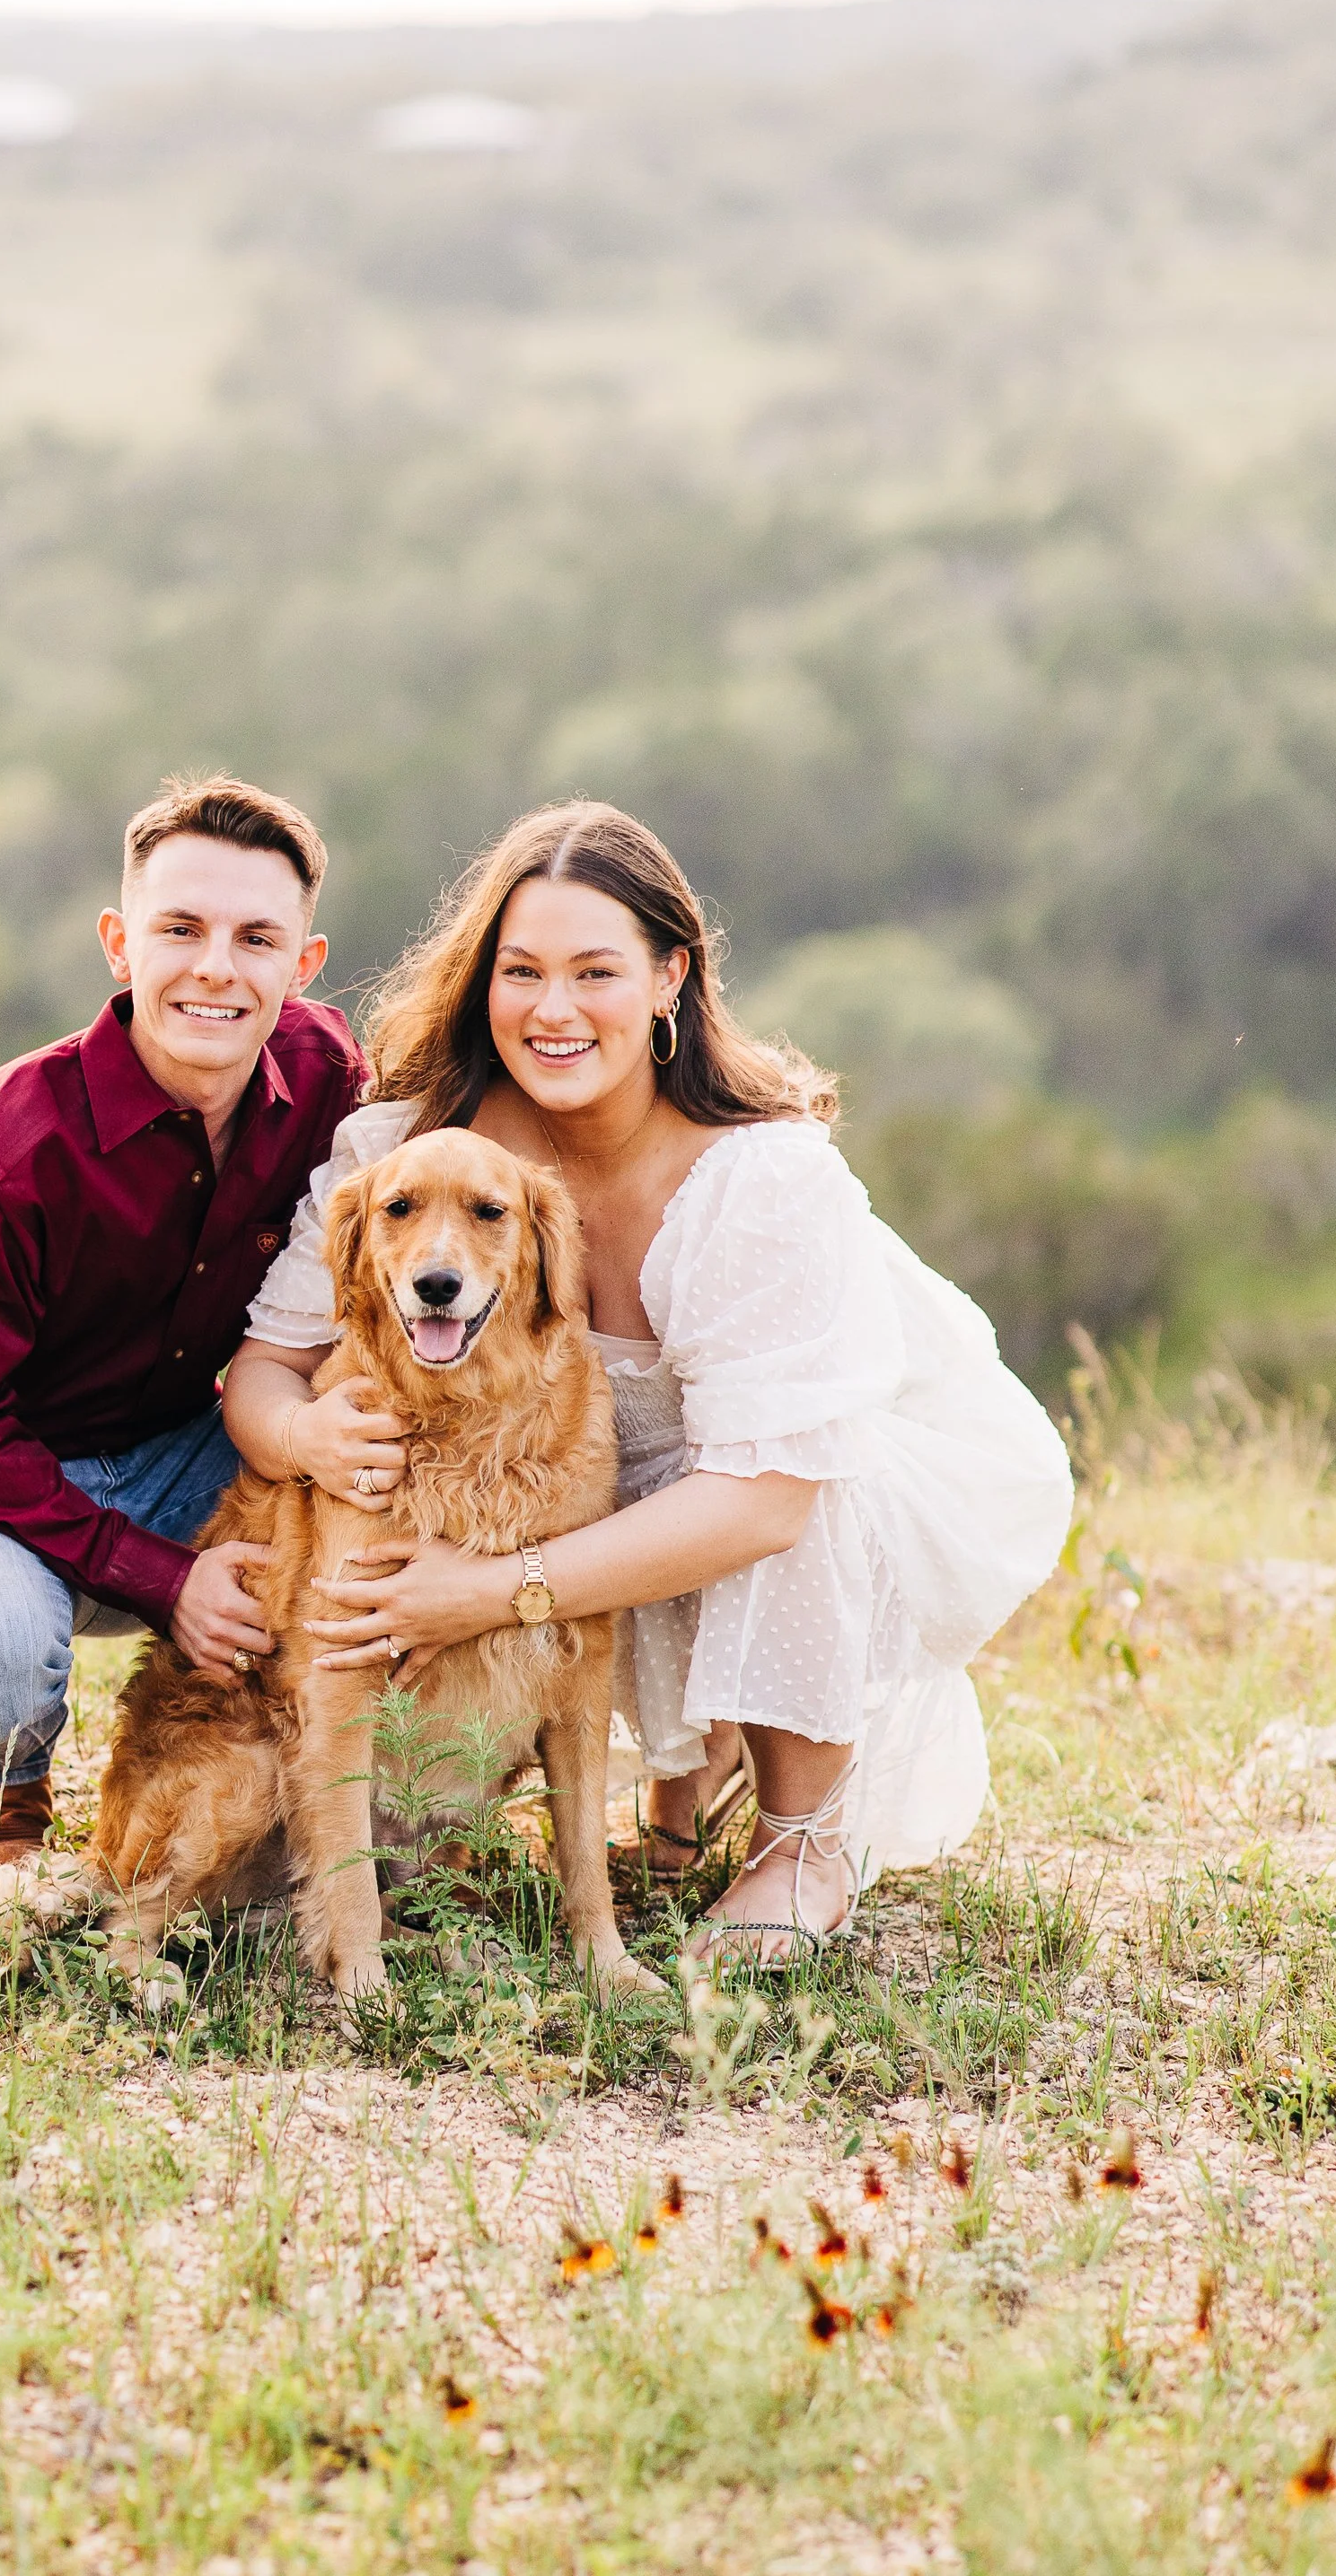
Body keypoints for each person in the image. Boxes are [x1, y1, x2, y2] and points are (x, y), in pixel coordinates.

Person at [221, 802, 1073, 1961]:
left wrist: (488, 1591)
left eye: (596, 972)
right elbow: (265, 1370)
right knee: (602, 1479)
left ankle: (801, 1840)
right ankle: (681, 1795)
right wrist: (304, 1437)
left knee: (810, 1479)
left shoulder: (760, 1180)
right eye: (521, 972)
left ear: (671, 976)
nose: (553, 1009)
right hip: (566, 1484)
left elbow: (767, 1500)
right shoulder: (406, 1149)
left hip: (805, 1483)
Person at [0, 775, 366, 1853]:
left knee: (377, 1495)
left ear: (304, 963)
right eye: (180, 928)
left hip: (188, 1447)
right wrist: (167, 1580)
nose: (217, 966)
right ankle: (2, 1798)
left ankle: (306, 1802)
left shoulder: (327, 1080)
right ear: (119, 943)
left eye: (256, 937)